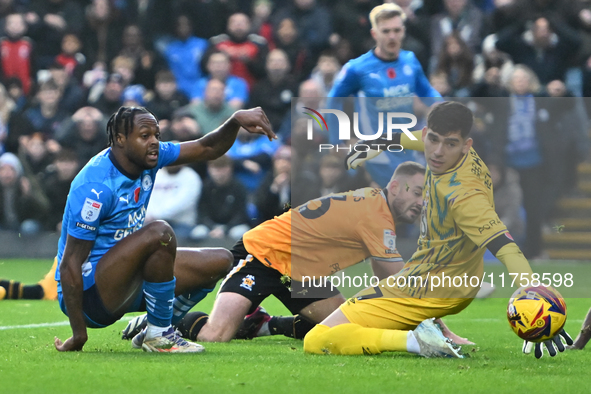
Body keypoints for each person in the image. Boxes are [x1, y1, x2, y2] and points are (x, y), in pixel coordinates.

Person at [303, 101, 572, 359]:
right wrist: (378, 143)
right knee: (360, 318)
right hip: (440, 277)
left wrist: (534, 295)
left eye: (450, 144)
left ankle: (417, 342)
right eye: (433, 140)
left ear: (467, 145)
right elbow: (416, 139)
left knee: (317, 339)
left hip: (429, 288)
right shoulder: (456, 154)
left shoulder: (464, 196)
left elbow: (504, 246)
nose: (437, 152)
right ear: (426, 134)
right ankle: (431, 329)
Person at [125, 161, 467, 345]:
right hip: (264, 253)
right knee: (216, 335)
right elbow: (396, 282)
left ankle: (262, 325)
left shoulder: (377, 208)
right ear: (395, 187)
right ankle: (162, 322)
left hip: (302, 271)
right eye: (419, 193)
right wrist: (439, 326)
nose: (423, 203)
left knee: (335, 328)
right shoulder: (376, 214)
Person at [54, 105, 275, 353]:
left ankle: (156, 324)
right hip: (91, 296)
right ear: (120, 139)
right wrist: (78, 334)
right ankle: (160, 336)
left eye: (157, 135)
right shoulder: (95, 186)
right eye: (145, 136)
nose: (154, 142)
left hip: (130, 278)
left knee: (220, 260)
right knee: (159, 233)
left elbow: (207, 147)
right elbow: (70, 263)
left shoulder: (152, 157)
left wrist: (234, 121)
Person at [327, 3, 441, 188]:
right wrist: (337, 140)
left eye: (396, 30)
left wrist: (441, 107)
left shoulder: (410, 61)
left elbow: (426, 91)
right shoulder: (357, 68)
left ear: (403, 32)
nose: (392, 36)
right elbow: (333, 100)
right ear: (375, 34)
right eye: (386, 31)